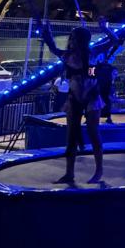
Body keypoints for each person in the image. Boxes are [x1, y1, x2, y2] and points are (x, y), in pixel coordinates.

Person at [49, 21, 119, 186]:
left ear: (81, 40)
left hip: (91, 97)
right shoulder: (68, 55)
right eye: (71, 38)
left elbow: (114, 40)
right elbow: (53, 48)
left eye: (74, 38)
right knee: (71, 137)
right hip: (74, 98)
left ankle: (98, 170)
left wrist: (104, 28)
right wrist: (47, 34)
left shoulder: (93, 52)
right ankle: (69, 173)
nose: (71, 41)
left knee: (93, 133)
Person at [95, 51, 117, 125]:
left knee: (106, 102)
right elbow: (91, 75)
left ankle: (108, 117)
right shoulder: (97, 66)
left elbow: (112, 76)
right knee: (96, 102)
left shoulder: (108, 67)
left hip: (105, 86)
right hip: (99, 86)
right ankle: (92, 118)